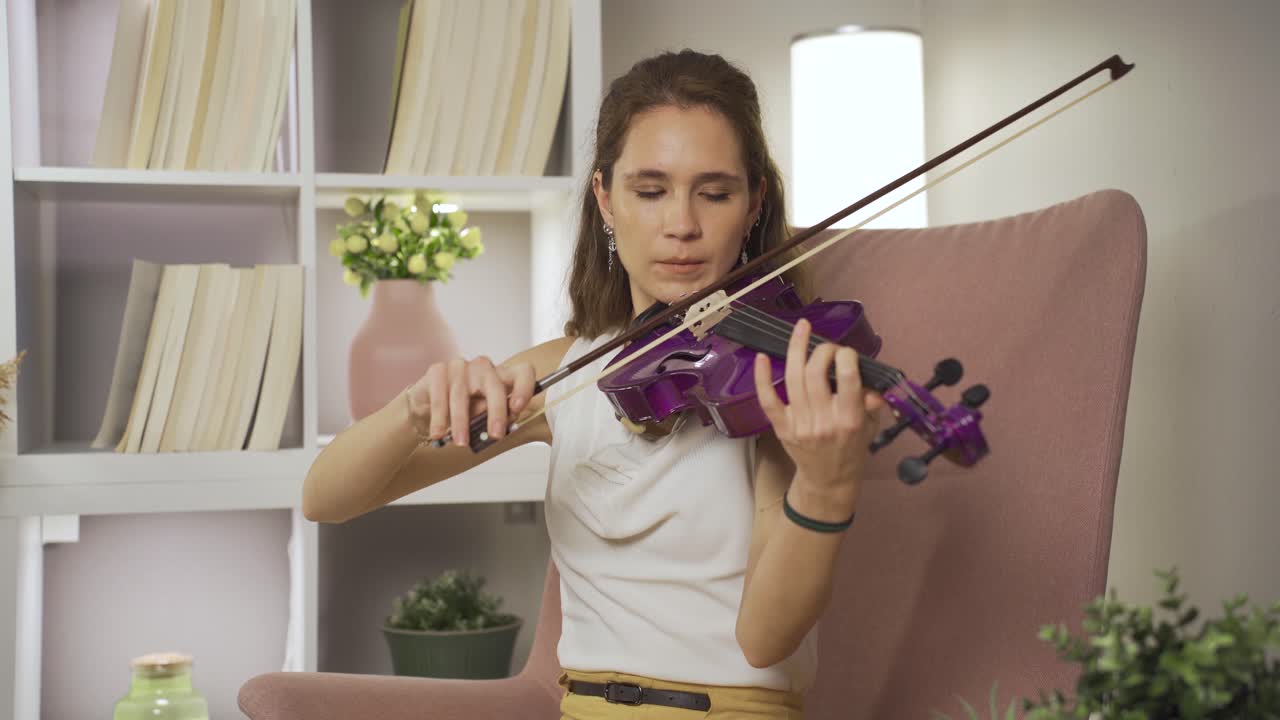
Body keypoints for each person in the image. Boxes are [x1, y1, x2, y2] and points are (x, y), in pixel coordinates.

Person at [302, 49, 885, 720]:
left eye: (715, 192)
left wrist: (827, 486)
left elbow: (764, 640)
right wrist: (412, 410)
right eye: (651, 189)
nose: (682, 225)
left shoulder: (776, 379)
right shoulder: (567, 373)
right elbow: (327, 498)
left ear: (754, 203)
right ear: (606, 198)